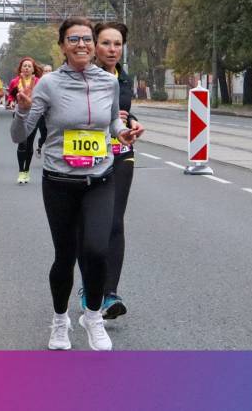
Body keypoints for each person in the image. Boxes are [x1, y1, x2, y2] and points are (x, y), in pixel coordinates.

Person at [11, 17, 139, 351]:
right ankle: (59, 321)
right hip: (59, 182)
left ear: (93, 45)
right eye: (73, 39)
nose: (81, 44)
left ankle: (93, 317)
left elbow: (111, 122)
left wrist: (123, 133)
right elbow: (19, 135)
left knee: (97, 251)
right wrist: (22, 111)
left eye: (86, 39)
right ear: (62, 46)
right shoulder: (49, 84)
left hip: (100, 178)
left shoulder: (108, 82)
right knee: (65, 256)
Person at [87, 22, 144, 319]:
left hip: (121, 152)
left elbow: (121, 112)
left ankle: (109, 294)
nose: (112, 50)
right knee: (89, 226)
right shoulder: (82, 75)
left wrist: (130, 121)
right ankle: (89, 285)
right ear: (94, 45)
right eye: (106, 43)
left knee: (114, 222)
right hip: (88, 155)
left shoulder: (123, 77)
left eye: (118, 44)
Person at [7, 57, 43, 184]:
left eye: (29, 66)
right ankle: (21, 172)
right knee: (22, 142)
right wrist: (11, 102)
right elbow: (11, 95)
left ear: (33, 69)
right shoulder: (15, 81)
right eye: (24, 66)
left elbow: (43, 97)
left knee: (29, 142)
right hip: (20, 114)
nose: (26, 68)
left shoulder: (39, 82)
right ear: (21, 68)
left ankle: (27, 170)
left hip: (34, 114)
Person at [35, 65, 52, 157]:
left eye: (49, 71)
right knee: (44, 134)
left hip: (53, 114)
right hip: (41, 114)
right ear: (42, 73)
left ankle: (51, 154)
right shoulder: (38, 83)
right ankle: (39, 145)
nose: (48, 73)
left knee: (53, 134)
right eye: (46, 71)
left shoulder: (56, 83)